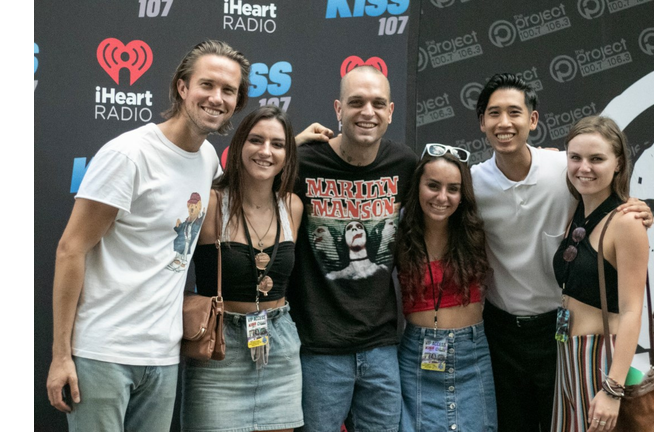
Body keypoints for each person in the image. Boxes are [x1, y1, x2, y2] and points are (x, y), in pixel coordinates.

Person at [45, 40, 250, 431]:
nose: (217, 98)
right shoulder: (129, 156)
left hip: (164, 355)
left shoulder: (206, 158)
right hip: (104, 353)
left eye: (228, 90)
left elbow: (249, 184)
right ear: (182, 87)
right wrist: (60, 356)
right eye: (207, 85)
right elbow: (70, 250)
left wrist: (296, 146)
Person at [470, 73, 654, 431]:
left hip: (557, 334)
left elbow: (607, 199)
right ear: (482, 122)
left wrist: (637, 208)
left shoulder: (562, 169)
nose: (504, 123)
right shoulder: (472, 182)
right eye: (494, 113)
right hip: (502, 333)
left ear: (533, 120)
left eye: (514, 112)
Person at [287, 65, 419, 431]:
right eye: (356, 102)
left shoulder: (404, 163)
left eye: (378, 103)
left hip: (381, 345)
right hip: (318, 346)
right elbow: (232, 183)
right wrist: (287, 143)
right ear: (338, 109)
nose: (367, 112)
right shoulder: (304, 161)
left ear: (391, 112)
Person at [181, 106, 304, 432]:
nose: (266, 151)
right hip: (220, 350)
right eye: (256, 140)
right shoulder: (209, 204)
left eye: (277, 144)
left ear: (287, 153)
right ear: (238, 146)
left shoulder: (292, 206)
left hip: (280, 348)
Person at [550, 116, 648, 431]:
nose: (584, 167)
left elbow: (633, 310)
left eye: (597, 159)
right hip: (568, 356)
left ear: (618, 163)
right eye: (575, 158)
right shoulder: (578, 209)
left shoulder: (626, 222)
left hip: (601, 361)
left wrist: (613, 388)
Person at [395, 144, 496, 431]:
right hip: (417, 353)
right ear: (418, 187)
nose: (442, 197)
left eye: (453, 189)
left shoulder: (476, 230)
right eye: (433, 186)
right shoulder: (399, 232)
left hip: (472, 355)